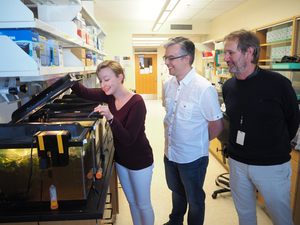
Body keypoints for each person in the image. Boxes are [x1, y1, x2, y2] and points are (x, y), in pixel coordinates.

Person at [222, 29, 300, 225]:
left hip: (271, 166)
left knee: (281, 219)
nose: (225, 58)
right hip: (237, 163)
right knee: (245, 217)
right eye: (225, 53)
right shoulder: (229, 86)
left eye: (230, 52)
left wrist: (274, 145)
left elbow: (293, 120)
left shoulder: (278, 84)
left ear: (249, 52)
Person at [71, 60, 154, 225]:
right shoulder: (108, 96)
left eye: (107, 79)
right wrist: (68, 79)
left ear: (120, 77)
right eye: (100, 80)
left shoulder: (137, 102)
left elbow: (129, 139)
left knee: (143, 205)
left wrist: (110, 117)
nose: (103, 84)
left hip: (140, 161)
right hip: (122, 160)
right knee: (132, 202)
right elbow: (85, 92)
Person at [162, 36, 224, 225]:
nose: (166, 62)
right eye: (166, 58)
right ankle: (175, 222)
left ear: (186, 58)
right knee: (176, 192)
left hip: (192, 158)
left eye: (171, 58)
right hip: (170, 153)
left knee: (195, 199)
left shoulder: (204, 89)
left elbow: (217, 126)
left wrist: (198, 142)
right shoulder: (168, 85)